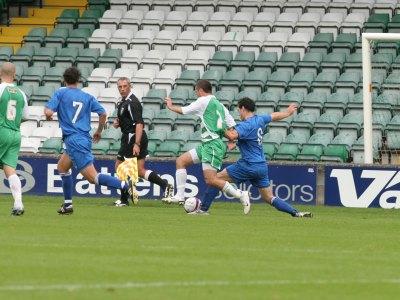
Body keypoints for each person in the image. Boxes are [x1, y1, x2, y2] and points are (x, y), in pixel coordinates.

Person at [197, 97, 313, 217]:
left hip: (248, 164)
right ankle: (296, 213)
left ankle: (203, 209)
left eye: (238, 110)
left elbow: (232, 135)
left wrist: (218, 127)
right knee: (269, 197)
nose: (239, 113)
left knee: (215, 179)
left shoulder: (246, 125)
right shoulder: (260, 119)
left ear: (243, 108)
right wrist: (287, 113)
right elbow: (274, 116)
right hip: (261, 166)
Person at [45, 67, 135, 215]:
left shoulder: (60, 92)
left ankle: (125, 185)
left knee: (93, 178)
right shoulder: (86, 96)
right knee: (62, 167)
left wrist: (48, 115)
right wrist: (99, 131)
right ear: (79, 80)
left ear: (65, 80)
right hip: (81, 138)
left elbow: (48, 112)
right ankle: (68, 206)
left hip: (74, 140)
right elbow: (103, 113)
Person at [162, 79, 250, 214]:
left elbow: (184, 110)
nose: (196, 94)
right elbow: (231, 123)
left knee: (211, 180)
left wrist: (170, 106)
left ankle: (241, 194)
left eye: (196, 91)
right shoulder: (220, 105)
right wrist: (231, 141)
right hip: (207, 144)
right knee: (181, 161)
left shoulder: (203, 101)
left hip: (212, 145)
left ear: (200, 90)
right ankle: (180, 196)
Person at [111, 77, 173, 206]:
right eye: (120, 87)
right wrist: (119, 122)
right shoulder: (124, 102)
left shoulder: (132, 102)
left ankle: (124, 199)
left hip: (132, 137)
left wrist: (136, 143)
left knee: (119, 167)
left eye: (124, 86)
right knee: (139, 170)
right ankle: (165, 185)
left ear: (130, 86)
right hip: (134, 136)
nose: (122, 89)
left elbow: (139, 124)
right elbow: (129, 120)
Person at [0, 62, 29, 216]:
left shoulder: (0, 90)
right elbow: (25, 116)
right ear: (14, 74)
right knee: (10, 169)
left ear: (0, 74)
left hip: (1, 130)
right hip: (16, 133)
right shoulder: (21, 93)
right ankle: (18, 204)